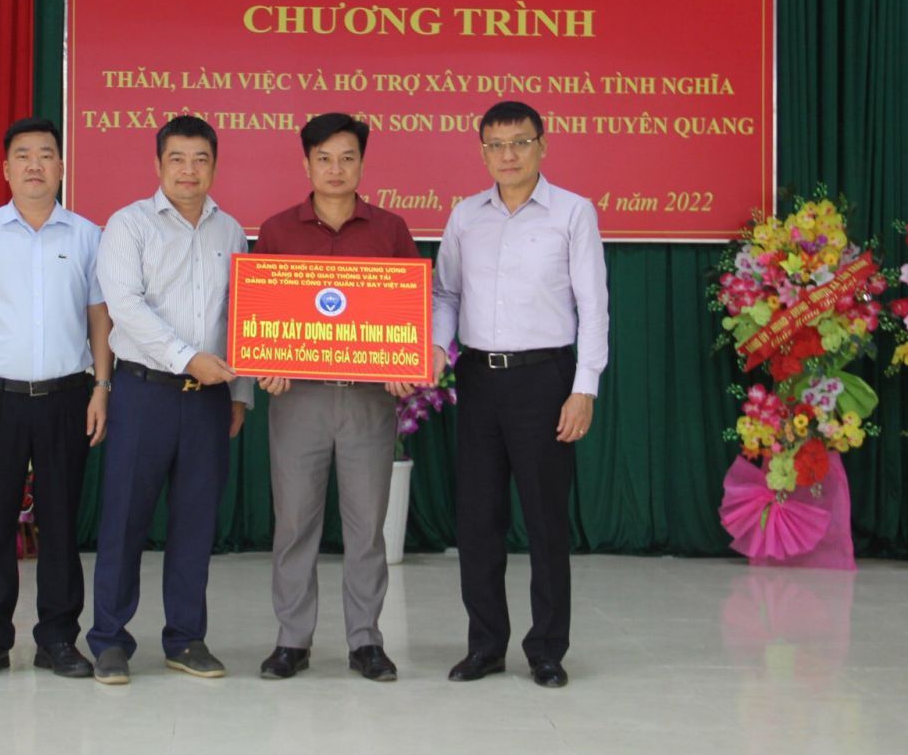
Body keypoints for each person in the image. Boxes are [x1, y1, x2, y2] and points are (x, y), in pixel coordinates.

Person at [432, 100, 609, 689]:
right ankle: (485, 646)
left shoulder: (573, 213)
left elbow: (594, 306)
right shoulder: (465, 216)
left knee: (545, 519)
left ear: (543, 145)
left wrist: (583, 389)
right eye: (496, 145)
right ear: (482, 151)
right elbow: (446, 295)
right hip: (478, 379)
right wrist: (436, 349)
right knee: (478, 519)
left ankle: (547, 649)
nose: (507, 155)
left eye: (520, 142)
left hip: (545, 380)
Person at [0, 117, 111, 681]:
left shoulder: (86, 236)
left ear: (61, 166)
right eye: (23, 155)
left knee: (61, 524)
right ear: (6, 168)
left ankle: (58, 638)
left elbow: (99, 318)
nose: (35, 164)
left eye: (45, 154)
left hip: (66, 398)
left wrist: (102, 387)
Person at [252, 113, 422, 683]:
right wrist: (265, 362)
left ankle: (366, 641)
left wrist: (404, 363)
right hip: (298, 399)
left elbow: (411, 310)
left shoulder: (390, 230)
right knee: (294, 523)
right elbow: (260, 313)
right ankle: (292, 640)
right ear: (306, 164)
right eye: (324, 158)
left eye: (347, 158)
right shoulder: (277, 231)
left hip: (369, 400)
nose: (335, 169)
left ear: (362, 164)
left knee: (366, 525)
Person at [88, 115, 252, 685]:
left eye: (200, 159)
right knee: (124, 520)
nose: (189, 170)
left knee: (196, 523)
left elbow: (239, 316)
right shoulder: (128, 225)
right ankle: (110, 639)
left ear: (215, 165)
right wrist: (187, 359)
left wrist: (240, 392)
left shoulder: (231, 231)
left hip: (210, 400)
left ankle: (186, 639)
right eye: (177, 158)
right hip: (144, 393)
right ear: (158, 164)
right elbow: (125, 307)